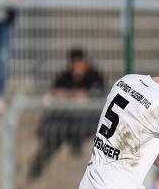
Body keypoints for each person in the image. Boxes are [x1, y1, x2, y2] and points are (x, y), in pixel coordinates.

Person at [28, 48, 105, 179]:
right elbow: (54, 95)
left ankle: (76, 145)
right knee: (52, 135)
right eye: (74, 62)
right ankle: (36, 169)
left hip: (88, 121)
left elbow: (92, 97)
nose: (77, 65)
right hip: (65, 120)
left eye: (79, 62)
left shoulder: (94, 76)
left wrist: (71, 95)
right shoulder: (64, 76)